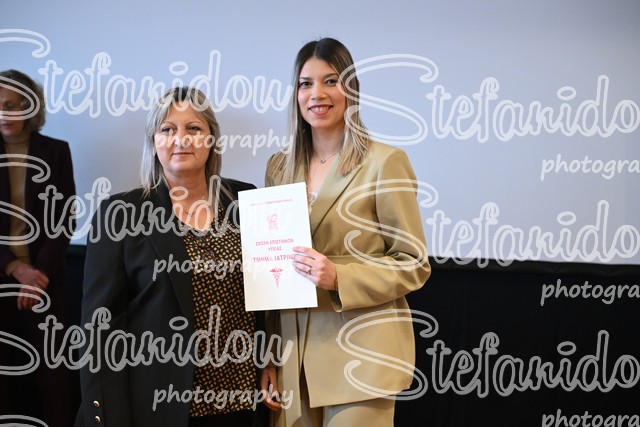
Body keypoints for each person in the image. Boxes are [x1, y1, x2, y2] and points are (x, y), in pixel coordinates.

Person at [259, 38, 431, 427]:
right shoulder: (278, 167)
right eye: (305, 83)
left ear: (351, 89)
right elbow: (272, 270)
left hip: (361, 357)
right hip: (293, 359)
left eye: (330, 81)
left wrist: (340, 277)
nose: (316, 94)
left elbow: (413, 263)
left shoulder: (385, 162)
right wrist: (269, 357)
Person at [76, 87, 266, 427]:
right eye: (167, 129)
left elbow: (267, 298)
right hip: (159, 408)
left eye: (194, 128)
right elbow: (99, 331)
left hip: (240, 402)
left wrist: (272, 363)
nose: (181, 139)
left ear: (211, 139)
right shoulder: (120, 214)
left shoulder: (245, 201)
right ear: (153, 141)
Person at [0, 69, 76, 427]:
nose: (5, 113)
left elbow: (64, 218)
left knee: (55, 376)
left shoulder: (55, 151)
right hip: (4, 275)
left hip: (46, 281)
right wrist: (16, 269)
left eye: (13, 105)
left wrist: (36, 276)